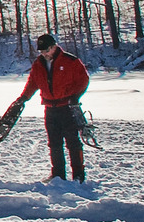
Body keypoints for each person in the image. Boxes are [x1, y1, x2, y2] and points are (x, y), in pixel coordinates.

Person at [5, 32, 91, 182]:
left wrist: (75, 97)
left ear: (54, 47)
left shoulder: (71, 61)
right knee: (54, 143)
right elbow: (33, 83)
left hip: (68, 108)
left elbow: (83, 80)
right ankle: (58, 175)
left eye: (46, 51)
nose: (44, 54)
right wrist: (23, 98)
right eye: (42, 51)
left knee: (73, 142)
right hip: (50, 109)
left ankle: (78, 175)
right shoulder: (38, 64)